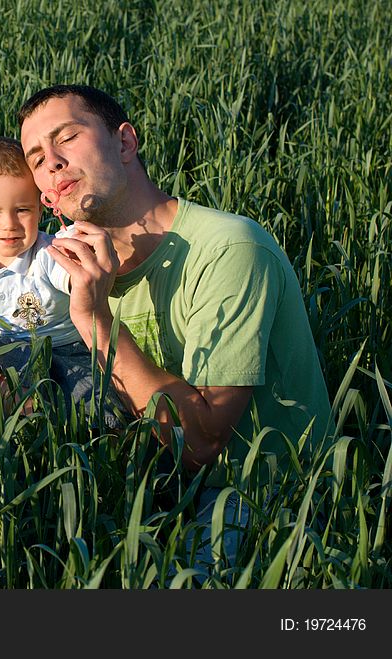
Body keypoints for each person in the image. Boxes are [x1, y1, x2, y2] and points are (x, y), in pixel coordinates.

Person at [17, 85, 331, 572]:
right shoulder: (66, 271)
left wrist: (95, 320)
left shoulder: (229, 249)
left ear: (124, 143)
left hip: (263, 496)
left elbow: (204, 442)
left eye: (68, 138)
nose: (52, 162)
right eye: (36, 158)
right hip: (156, 478)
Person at [0, 136, 125, 427]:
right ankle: (17, 422)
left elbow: (77, 280)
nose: (9, 224)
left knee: (103, 408)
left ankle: (72, 424)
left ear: (40, 207)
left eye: (22, 210)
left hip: (65, 349)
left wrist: (84, 259)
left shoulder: (49, 253)